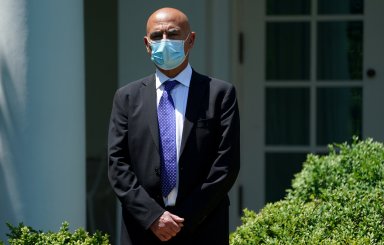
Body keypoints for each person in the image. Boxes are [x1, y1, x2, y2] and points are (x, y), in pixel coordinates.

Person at [108, 7, 240, 245]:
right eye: (157, 36)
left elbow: (225, 165)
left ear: (191, 40)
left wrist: (183, 219)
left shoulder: (219, 94)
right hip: (142, 228)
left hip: (203, 226)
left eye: (173, 33)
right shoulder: (126, 98)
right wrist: (153, 217)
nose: (165, 41)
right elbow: (118, 165)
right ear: (147, 45)